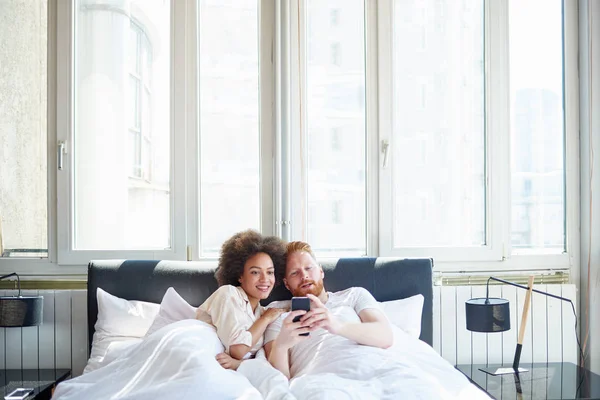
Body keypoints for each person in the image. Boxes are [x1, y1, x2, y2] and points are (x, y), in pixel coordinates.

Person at [264, 241, 393, 379]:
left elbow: (386, 337)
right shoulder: (277, 314)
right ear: (286, 284)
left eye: (308, 268)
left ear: (321, 271)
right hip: (318, 381)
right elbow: (278, 378)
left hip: (372, 369)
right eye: (295, 272)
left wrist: (337, 326)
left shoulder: (354, 296)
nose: (304, 276)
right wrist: (281, 346)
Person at [195, 229, 287, 370]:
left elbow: (248, 359)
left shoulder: (260, 311)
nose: (265, 279)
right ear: (240, 276)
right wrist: (266, 319)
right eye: (255, 272)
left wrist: (238, 364)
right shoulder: (228, 294)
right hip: (199, 358)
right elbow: (238, 350)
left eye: (270, 272)